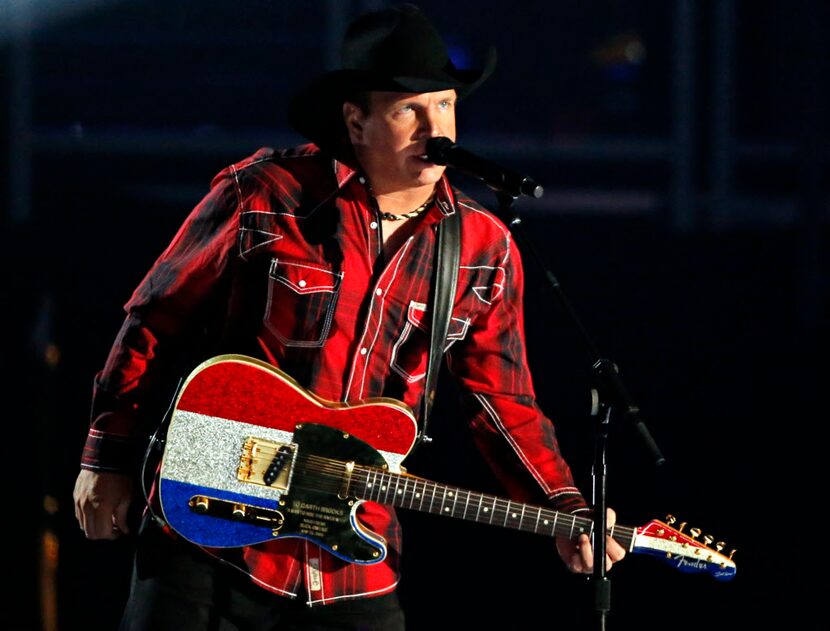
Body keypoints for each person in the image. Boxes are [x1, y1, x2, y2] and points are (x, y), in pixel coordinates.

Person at [73, 4, 625, 629]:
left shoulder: (483, 247)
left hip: (353, 565)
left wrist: (564, 504)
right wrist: (105, 458)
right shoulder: (265, 193)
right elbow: (152, 321)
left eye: (443, 105)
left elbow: (502, 401)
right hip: (211, 531)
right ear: (356, 120)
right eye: (407, 110)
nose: (434, 126)